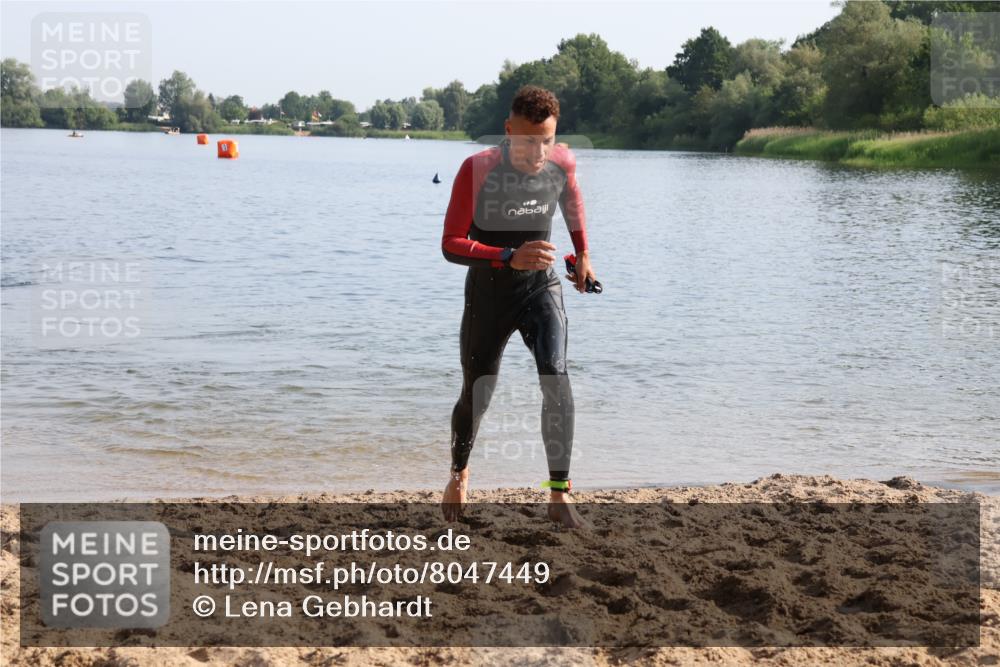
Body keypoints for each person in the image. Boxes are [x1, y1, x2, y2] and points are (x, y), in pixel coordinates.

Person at [439, 85, 597, 528]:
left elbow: (572, 201)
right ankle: (459, 473)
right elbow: (450, 244)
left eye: (547, 140)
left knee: (556, 377)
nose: (539, 152)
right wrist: (507, 255)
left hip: (541, 287)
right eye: (528, 142)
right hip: (489, 293)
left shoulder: (562, 162)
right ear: (508, 131)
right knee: (477, 393)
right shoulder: (477, 170)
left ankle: (559, 494)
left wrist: (583, 254)